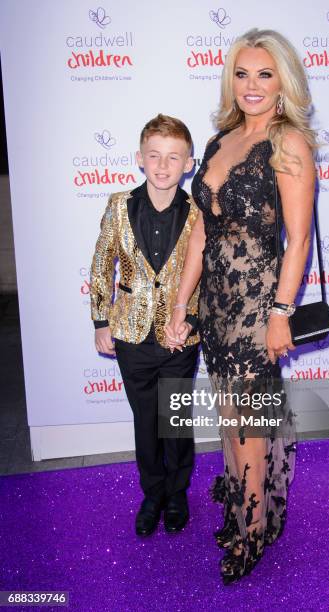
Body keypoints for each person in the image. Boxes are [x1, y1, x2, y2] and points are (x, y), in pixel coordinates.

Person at [166, 29, 316, 584]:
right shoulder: (217, 141)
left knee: (249, 422)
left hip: (258, 306)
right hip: (217, 305)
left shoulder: (288, 143)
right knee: (230, 419)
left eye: (265, 74)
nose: (251, 86)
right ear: (231, 79)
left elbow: (297, 240)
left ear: (283, 82)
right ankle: (244, 510)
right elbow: (201, 236)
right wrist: (183, 304)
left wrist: (280, 312)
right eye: (242, 74)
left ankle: (252, 530)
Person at [90, 114, 200, 537]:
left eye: (173, 157)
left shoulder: (197, 212)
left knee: (174, 420)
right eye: (154, 155)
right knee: (145, 421)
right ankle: (152, 494)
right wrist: (101, 319)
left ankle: (177, 493)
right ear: (139, 158)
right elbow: (102, 264)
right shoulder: (119, 205)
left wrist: (188, 319)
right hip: (131, 335)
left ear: (188, 163)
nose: (162, 165)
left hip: (178, 337)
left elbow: (204, 274)